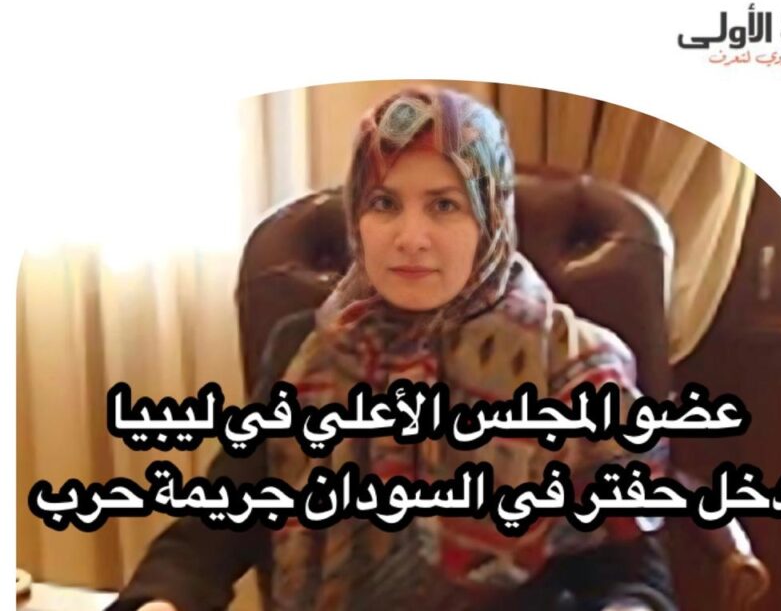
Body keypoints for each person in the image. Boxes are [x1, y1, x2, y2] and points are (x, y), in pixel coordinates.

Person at [108, 86, 677, 611]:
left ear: (491, 217)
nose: (409, 238)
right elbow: (211, 530)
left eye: (444, 205)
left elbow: (631, 577)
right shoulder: (305, 351)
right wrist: (162, 603)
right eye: (384, 203)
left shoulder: (576, 368)